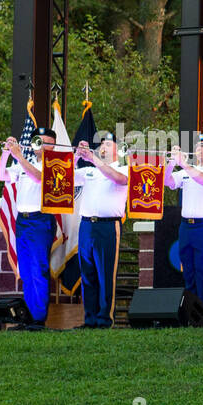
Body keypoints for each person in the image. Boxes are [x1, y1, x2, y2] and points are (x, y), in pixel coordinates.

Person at [0, 127, 57, 326]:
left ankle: (38, 319)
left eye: (44, 141)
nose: (39, 145)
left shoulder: (55, 163)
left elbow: (39, 177)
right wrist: (6, 152)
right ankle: (29, 317)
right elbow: (1, 176)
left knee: (38, 268)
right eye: (37, 141)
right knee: (25, 270)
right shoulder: (27, 162)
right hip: (23, 220)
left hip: (40, 220)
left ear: (53, 145)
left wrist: (19, 157)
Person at [73, 132, 128, 328]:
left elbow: (119, 179)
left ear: (118, 150)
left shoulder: (124, 168)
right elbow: (65, 175)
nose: (103, 146)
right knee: (87, 274)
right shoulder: (90, 170)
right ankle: (90, 319)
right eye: (102, 143)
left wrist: (93, 159)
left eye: (108, 143)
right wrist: (78, 156)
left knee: (105, 274)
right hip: (87, 224)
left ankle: (105, 319)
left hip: (107, 226)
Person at [164, 132, 203, 305]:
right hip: (187, 227)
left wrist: (185, 165)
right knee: (188, 271)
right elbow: (168, 182)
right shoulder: (187, 171)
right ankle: (191, 314)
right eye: (197, 146)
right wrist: (172, 162)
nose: (199, 148)